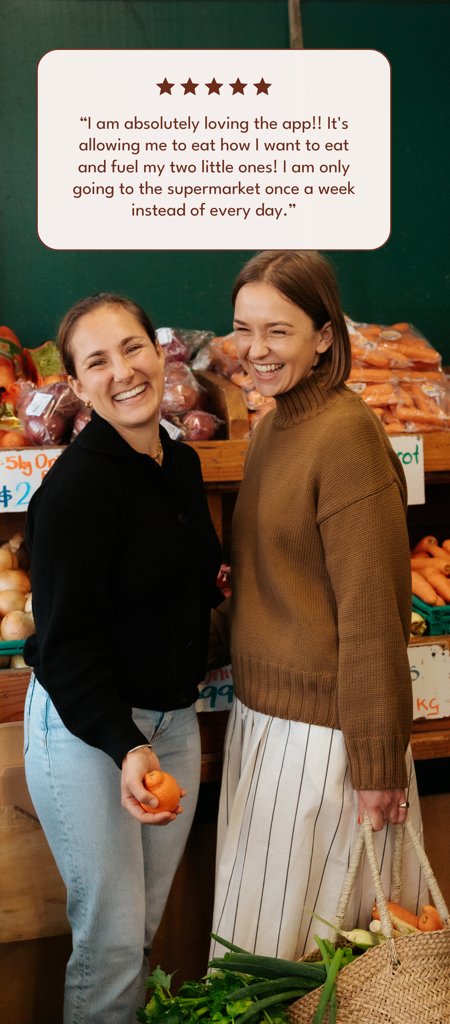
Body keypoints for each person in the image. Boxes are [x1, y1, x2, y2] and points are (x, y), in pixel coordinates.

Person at [209, 251, 426, 962]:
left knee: (309, 964)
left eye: (279, 330)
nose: (255, 350)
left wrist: (375, 766)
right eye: (243, 329)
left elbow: (372, 617)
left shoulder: (349, 437)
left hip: (327, 744)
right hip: (263, 725)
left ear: (325, 336)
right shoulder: (271, 430)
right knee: (271, 955)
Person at [23, 293, 222, 1024]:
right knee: (108, 946)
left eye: (132, 348)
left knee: (137, 936)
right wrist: (125, 744)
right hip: (91, 732)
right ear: (76, 385)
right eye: (97, 361)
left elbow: (184, 577)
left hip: (173, 721)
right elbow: (66, 646)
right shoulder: (76, 491)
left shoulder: (182, 464)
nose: (123, 372)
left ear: (159, 352)